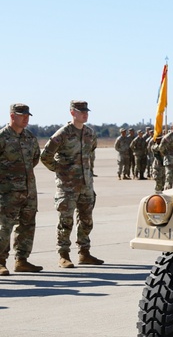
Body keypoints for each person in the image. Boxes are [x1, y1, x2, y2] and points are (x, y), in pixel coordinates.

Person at [40, 100, 103, 267]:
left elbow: (90, 154)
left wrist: (89, 174)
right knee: (66, 221)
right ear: (72, 113)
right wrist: (61, 171)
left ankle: (84, 253)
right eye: (81, 111)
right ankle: (64, 255)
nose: (85, 113)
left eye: (86, 111)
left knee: (86, 220)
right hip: (67, 187)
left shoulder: (90, 133)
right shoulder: (63, 133)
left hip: (86, 184)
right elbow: (45, 156)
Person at [0, 104, 43, 274]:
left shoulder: (30, 138)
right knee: (5, 226)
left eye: (27, 115)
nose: (25, 118)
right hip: (7, 191)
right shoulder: (2, 137)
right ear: (12, 116)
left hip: (28, 189)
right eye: (21, 115)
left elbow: (34, 159)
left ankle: (22, 260)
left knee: (27, 224)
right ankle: (0, 261)